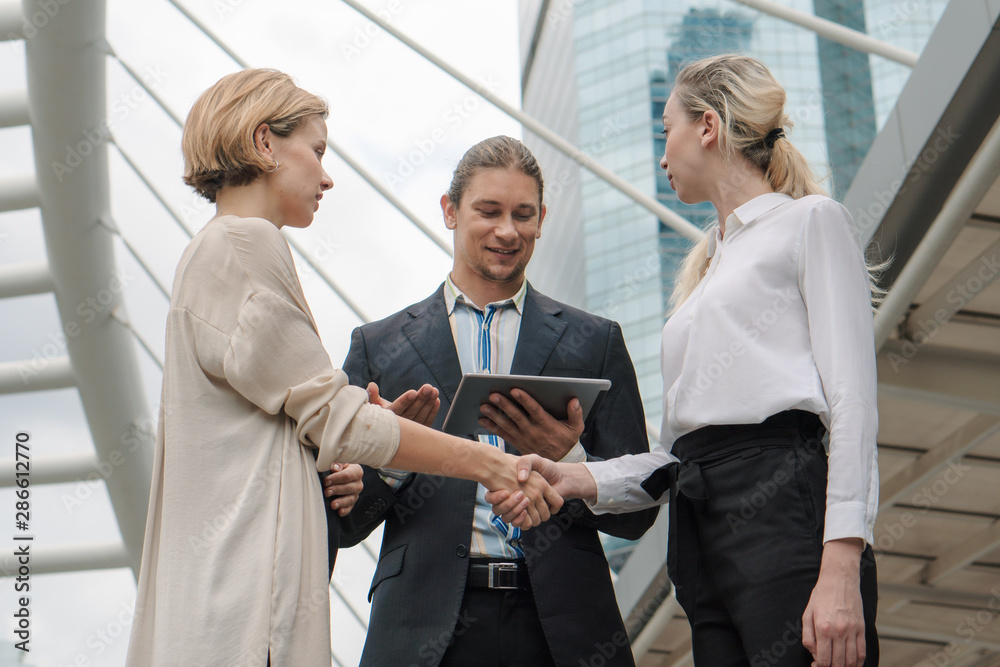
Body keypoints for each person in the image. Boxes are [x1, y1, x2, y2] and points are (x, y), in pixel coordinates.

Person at [124, 71, 560, 667]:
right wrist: (492, 462)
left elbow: (300, 424)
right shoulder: (246, 244)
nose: (327, 175)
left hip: (222, 604)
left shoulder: (215, 250)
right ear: (264, 142)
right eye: (318, 150)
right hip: (245, 610)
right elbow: (333, 417)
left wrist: (366, 438)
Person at [492, 54, 881, 667]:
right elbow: (675, 457)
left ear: (707, 126)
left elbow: (854, 403)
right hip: (699, 528)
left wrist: (841, 564)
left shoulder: (812, 222)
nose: (662, 153)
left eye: (665, 130)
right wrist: (576, 477)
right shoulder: (700, 278)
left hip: (784, 507)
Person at [326, 136, 658, 667]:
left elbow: (637, 515)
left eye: (523, 214)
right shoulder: (378, 346)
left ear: (542, 219)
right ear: (450, 211)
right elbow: (341, 523)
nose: (508, 230)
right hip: (422, 626)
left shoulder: (596, 341)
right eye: (489, 211)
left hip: (566, 626)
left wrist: (571, 460)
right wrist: (390, 464)